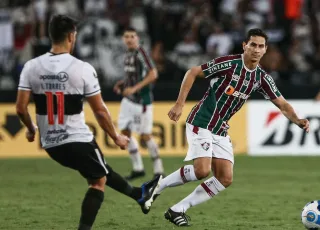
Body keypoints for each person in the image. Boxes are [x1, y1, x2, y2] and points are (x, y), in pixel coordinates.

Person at [15, 15, 162, 230]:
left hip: (50, 144)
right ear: (72, 37)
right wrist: (116, 137)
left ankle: (139, 195)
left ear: (51, 35)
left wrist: (30, 129)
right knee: (97, 181)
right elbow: (101, 111)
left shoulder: (31, 66)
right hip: (77, 138)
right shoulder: (82, 68)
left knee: (98, 169)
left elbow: (20, 108)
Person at [153, 28, 310, 227]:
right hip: (202, 120)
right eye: (252, 44)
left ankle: (178, 209)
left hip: (220, 128)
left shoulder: (262, 78)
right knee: (202, 171)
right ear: (245, 45)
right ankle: (159, 185)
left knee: (225, 178)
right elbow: (193, 72)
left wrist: (298, 120)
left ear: (265, 50)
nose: (256, 49)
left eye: (261, 46)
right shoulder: (229, 64)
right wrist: (179, 104)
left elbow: (282, 104)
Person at [113, 27, 164, 180]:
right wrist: (123, 83)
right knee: (125, 132)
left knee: (145, 135)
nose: (129, 39)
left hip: (141, 101)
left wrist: (134, 88)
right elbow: (135, 74)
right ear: (123, 39)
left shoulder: (142, 53)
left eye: (132, 36)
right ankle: (138, 168)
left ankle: (159, 170)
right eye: (126, 36)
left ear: (138, 39)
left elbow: (153, 74)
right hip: (128, 101)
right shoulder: (128, 53)